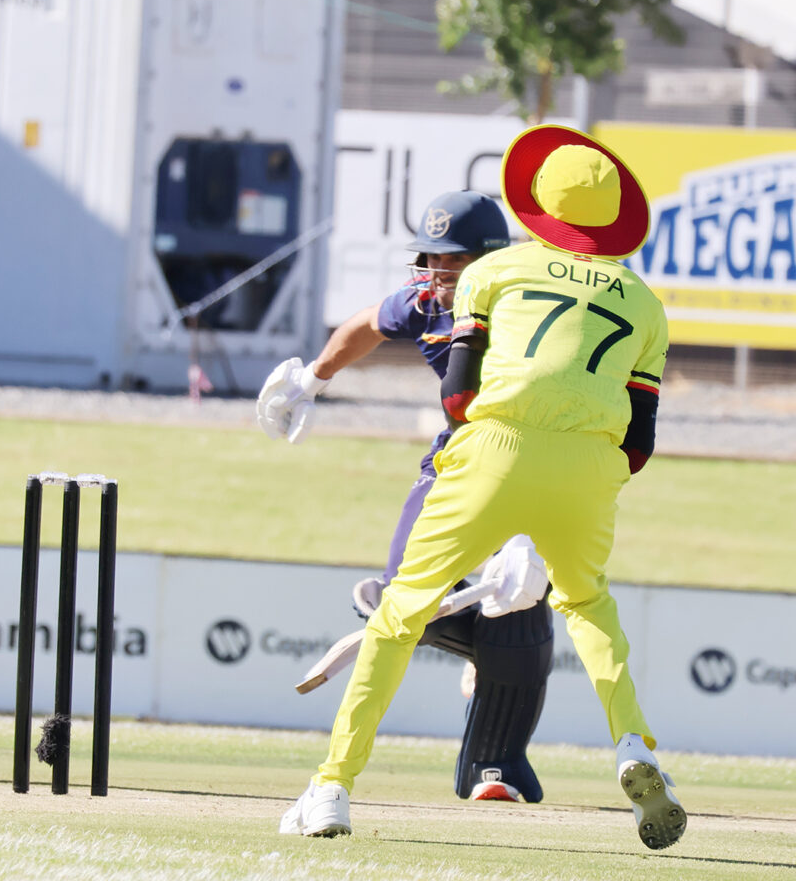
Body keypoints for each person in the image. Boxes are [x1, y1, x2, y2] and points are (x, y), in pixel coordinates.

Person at [277, 125, 685, 851]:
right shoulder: (646, 303)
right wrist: (568, 492)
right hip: (589, 470)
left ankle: (332, 787)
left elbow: (460, 397)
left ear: (538, 205)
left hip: (491, 450)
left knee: (399, 614)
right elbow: (640, 442)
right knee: (589, 608)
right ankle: (635, 747)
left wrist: (505, 491)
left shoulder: (491, 275)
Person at [257, 190, 556, 804]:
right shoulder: (425, 301)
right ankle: (481, 641)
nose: (438, 272)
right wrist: (313, 379)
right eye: (432, 258)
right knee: (400, 598)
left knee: (530, 606)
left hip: (534, 461)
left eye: (454, 261)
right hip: (457, 457)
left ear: (490, 261)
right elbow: (368, 323)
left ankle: (510, 754)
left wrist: (533, 526)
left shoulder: (525, 309)